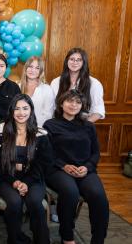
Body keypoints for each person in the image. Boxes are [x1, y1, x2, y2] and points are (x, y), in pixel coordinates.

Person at [43, 90, 109, 244]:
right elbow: (47, 154)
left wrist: (87, 167)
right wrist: (64, 166)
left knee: (98, 196)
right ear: (61, 103)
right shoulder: (50, 125)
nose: (73, 105)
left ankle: (98, 239)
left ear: (82, 106)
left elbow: (96, 152)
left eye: (77, 102)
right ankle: (67, 237)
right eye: (69, 101)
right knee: (70, 192)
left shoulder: (88, 126)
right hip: (58, 169)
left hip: (84, 169)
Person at [0, 94, 52, 244]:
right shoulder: (0, 132)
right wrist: (14, 182)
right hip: (6, 179)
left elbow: (44, 163)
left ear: (31, 110)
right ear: (11, 111)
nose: (21, 112)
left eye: (25, 108)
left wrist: (27, 183)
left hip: (33, 179)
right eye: (17, 108)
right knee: (15, 202)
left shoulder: (40, 134)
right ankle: (15, 239)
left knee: (35, 201)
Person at [50, 48, 105, 123]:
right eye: (72, 59)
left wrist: (82, 127)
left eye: (79, 60)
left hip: (83, 126)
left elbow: (98, 110)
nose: (75, 62)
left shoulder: (94, 83)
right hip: (60, 125)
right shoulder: (56, 82)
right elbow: (52, 108)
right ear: (67, 61)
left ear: (83, 63)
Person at [19, 56, 55, 126]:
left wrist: (31, 127)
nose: (33, 70)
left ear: (40, 71)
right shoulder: (17, 86)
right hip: (19, 128)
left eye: (37, 68)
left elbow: (48, 115)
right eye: (30, 66)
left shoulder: (47, 89)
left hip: (39, 129)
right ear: (26, 68)